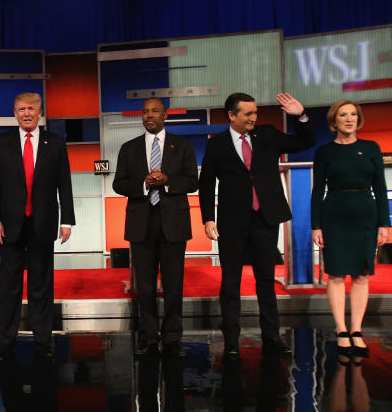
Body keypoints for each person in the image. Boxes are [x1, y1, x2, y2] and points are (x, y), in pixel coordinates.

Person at [198, 92, 314, 357]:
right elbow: (206, 185)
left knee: (265, 280)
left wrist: (302, 115)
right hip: (231, 223)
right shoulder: (216, 145)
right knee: (230, 283)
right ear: (232, 115)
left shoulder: (268, 135)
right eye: (248, 113)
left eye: (255, 113)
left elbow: (305, 141)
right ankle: (230, 341)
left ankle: (272, 337)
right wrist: (208, 218)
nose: (254, 117)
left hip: (265, 219)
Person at [0, 92, 75, 360]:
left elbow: (64, 184)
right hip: (10, 224)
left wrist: (67, 220)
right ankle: (6, 340)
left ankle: (43, 339)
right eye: (21, 109)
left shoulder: (55, 143)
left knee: (41, 284)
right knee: (10, 284)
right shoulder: (1, 143)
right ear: (15, 113)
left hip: (43, 222)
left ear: (40, 113)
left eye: (31, 109)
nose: (26, 113)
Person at [113, 97, 198, 358]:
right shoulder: (129, 148)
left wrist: (167, 180)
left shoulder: (182, 145)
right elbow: (119, 184)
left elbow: (192, 181)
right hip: (141, 224)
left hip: (174, 224)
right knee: (146, 286)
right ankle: (148, 337)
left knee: (174, 284)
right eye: (145, 112)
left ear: (165, 115)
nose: (150, 116)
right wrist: (143, 185)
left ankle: (173, 337)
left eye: (155, 111)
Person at [311, 100, 390, 357]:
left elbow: (380, 188)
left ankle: (356, 330)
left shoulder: (371, 148)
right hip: (334, 213)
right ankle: (341, 329)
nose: (349, 119)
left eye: (353, 114)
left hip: (366, 214)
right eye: (343, 115)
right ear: (334, 121)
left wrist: (384, 224)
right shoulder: (324, 151)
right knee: (335, 274)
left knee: (361, 274)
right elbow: (317, 190)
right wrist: (316, 226)